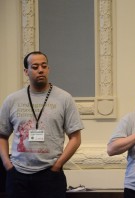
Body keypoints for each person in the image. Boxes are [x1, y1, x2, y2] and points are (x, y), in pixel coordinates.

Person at [0, 51, 84, 198]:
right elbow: (2, 136)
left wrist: (57, 165)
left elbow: (75, 138)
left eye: (44, 66)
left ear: (48, 69)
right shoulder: (12, 100)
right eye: (35, 66)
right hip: (18, 175)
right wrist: (8, 166)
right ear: (26, 71)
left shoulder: (64, 98)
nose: (40, 69)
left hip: (50, 174)